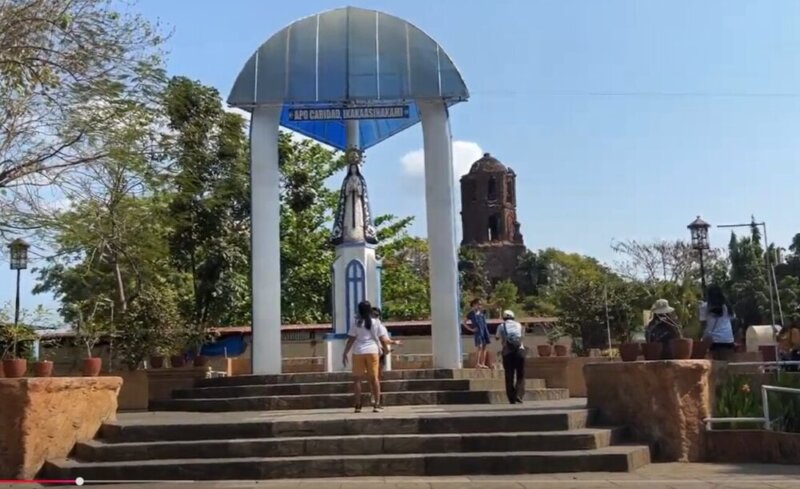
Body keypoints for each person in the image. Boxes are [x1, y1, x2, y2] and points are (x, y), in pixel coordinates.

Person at [343, 300, 391, 413]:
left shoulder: (356, 323)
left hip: (358, 352)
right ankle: (377, 404)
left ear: (359, 310)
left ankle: (358, 405)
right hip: (372, 351)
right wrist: (386, 350)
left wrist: (345, 352)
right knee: (374, 378)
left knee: (357, 380)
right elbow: (382, 339)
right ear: (370, 310)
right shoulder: (376, 323)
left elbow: (351, 340)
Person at [495, 310, 526, 404]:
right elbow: (522, 336)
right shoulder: (519, 325)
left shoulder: (501, 326)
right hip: (519, 351)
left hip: (507, 352)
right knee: (520, 374)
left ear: (504, 318)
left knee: (509, 375)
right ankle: (519, 394)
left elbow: (497, 337)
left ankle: (511, 398)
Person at [700, 284, 736, 361]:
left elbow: (703, 325)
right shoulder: (727, 307)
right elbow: (733, 319)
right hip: (728, 339)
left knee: (715, 364)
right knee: (726, 365)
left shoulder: (705, 307)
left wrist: (702, 338)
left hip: (713, 341)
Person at [464, 299, 491, 368]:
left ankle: (483, 363)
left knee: (484, 347)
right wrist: (471, 329)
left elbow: (489, 307)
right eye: (478, 304)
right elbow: (464, 322)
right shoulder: (471, 314)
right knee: (479, 346)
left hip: (484, 330)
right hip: (478, 331)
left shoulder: (482, 312)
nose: (479, 306)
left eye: (480, 304)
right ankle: (477, 363)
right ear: (474, 305)